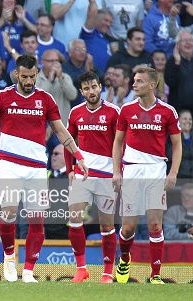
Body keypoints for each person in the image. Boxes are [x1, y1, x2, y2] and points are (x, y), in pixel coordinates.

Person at [0, 54, 88, 283]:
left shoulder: (45, 98)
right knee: (8, 213)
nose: (29, 81)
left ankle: (28, 271)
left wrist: (78, 155)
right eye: (25, 77)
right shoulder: (2, 97)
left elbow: (61, 130)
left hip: (36, 167)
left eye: (33, 76)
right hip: (10, 163)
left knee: (36, 219)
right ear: (16, 74)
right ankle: (9, 258)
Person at [112, 66, 182, 285]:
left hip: (155, 170)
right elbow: (117, 142)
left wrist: (173, 173)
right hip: (132, 169)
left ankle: (155, 275)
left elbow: (177, 144)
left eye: (139, 81)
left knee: (154, 224)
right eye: (134, 81)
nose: (134, 85)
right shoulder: (126, 110)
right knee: (128, 227)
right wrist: (116, 172)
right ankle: (124, 259)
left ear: (153, 85)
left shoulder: (168, 112)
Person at [65, 71, 120, 283]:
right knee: (74, 219)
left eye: (94, 87)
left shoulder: (114, 112)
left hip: (106, 175)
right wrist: (70, 168)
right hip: (82, 173)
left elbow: (120, 144)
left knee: (106, 225)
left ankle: (107, 273)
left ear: (100, 87)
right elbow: (69, 141)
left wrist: (117, 172)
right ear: (82, 92)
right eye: (87, 88)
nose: (91, 91)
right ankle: (81, 269)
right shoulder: (75, 112)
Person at [166, 110, 193, 178]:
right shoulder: (170, 137)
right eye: (185, 119)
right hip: (178, 179)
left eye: (190, 119)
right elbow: (168, 155)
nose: (188, 121)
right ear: (178, 121)